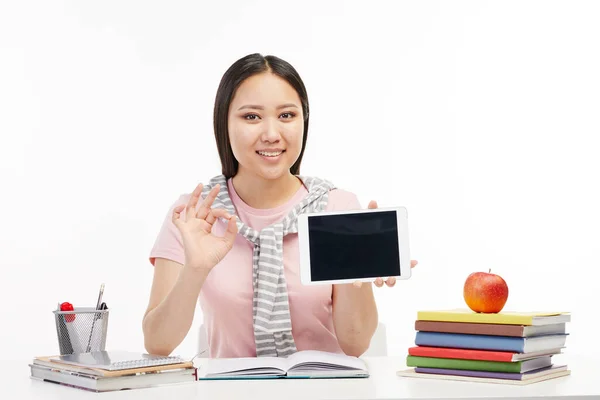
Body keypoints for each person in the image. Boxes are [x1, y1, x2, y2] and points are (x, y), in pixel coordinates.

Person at [143, 53, 417, 359]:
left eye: (287, 115)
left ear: (304, 121)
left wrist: (358, 276)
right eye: (251, 117)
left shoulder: (336, 208)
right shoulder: (194, 214)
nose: (272, 135)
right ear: (224, 122)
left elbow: (356, 345)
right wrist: (195, 269)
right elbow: (158, 344)